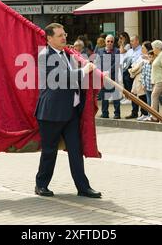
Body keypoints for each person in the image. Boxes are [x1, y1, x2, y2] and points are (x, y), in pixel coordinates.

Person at [34, 23, 100, 198]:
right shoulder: (44, 55)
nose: (64, 37)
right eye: (59, 35)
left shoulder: (67, 54)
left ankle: (83, 187)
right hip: (51, 112)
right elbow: (60, 78)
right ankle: (41, 185)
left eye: (65, 34)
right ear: (49, 38)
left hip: (71, 111)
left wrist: (96, 75)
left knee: (76, 150)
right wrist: (84, 71)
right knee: (49, 151)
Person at [95, 35, 121, 119]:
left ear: (113, 42)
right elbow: (97, 63)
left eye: (111, 41)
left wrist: (108, 71)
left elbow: (116, 63)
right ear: (105, 42)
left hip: (113, 77)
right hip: (103, 77)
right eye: (108, 41)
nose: (109, 43)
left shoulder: (116, 51)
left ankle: (117, 114)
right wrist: (102, 73)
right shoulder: (100, 51)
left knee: (115, 96)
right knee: (104, 96)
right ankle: (105, 113)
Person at [123, 35, 142, 119]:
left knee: (141, 94)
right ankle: (134, 112)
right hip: (128, 73)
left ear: (137, 41)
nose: (131, 43)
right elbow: (124, 61)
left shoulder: (142, 50)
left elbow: (139, 62)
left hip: (137, 73)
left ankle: (143, 113)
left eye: (132, 41)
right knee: (132, 94)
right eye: (130, 41)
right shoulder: (129, 51)